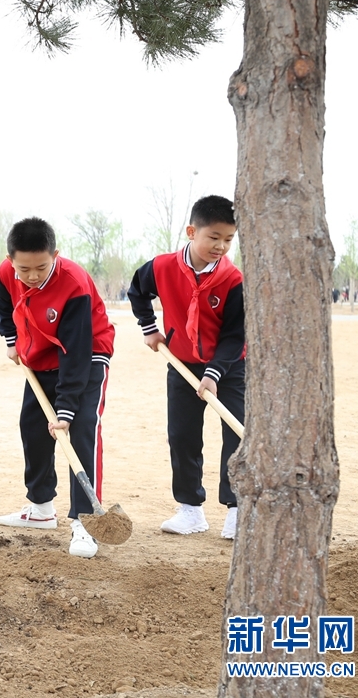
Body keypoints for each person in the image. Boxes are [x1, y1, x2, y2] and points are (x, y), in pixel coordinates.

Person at [0, 217, 115, 559]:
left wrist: (66, 409)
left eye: (41, 267)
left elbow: (77, 351)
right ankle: (41, 507)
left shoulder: (74, 284)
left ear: (56, 255)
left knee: (80, 429)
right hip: (40, 356)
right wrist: (11, 338)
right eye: (24, 268)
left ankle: (86, 520)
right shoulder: (6, 273)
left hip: (87, 355)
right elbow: (2, 299)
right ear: (10, 259)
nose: (32, 276)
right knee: (32, 427)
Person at [127, 195, 245, 540]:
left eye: (228, 239)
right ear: (192, 231)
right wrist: (150, 329)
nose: (221, 246)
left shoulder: (233, 280)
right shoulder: (162, 267)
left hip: (230, 367)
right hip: (180, 363)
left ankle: (237, 510)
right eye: (214, 237)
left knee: (235, 435)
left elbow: (236, 335)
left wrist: (214, 374)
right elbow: (138, 291)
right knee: (182, 435)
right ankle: (190, 510)